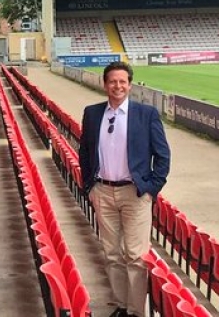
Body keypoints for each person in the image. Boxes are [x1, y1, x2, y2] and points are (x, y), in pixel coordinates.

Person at [79, 61, 171, 317]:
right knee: (111, 253)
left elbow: (162, 156)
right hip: (103, 192)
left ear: (129, 85)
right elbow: (85, 151)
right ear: (104, 84)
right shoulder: (93, 113)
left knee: (136, 255)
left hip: (136, 193)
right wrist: (89, 185)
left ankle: (136, 311)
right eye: (112, 81)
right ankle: (121, 306)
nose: (117, 86)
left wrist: (152, 188)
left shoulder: (146, 114)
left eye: (122, 81)